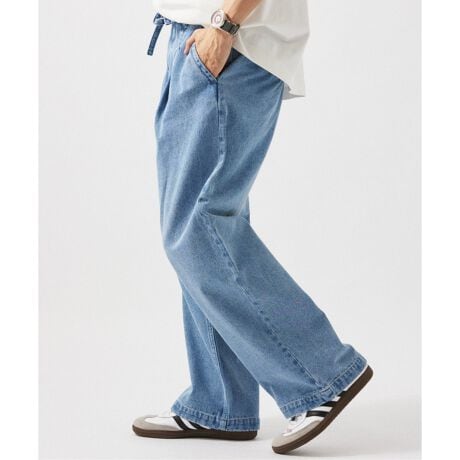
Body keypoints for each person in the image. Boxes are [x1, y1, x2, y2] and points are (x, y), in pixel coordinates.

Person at [132, 0, 373, 454]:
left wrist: (224, 25)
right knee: (203, 231)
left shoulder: (224, 33)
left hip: (228, 41)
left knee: (198, 228)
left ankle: (322, 375)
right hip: (203, 39)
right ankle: (219, 403)